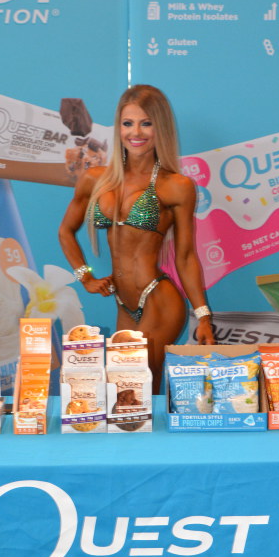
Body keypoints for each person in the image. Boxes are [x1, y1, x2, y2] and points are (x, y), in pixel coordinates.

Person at [58, 84, 215, 391]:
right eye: (128, 123)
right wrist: (85, 276)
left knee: (139, 386)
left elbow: (185, 256)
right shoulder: (94, 179)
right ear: (118, 127)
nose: (136, 132)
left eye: (146, 123)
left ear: (161, 128)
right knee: (124, 392)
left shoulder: (177, 186)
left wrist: (203, 316)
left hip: (159, 300)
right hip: (124, 304)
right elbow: (65, 231)